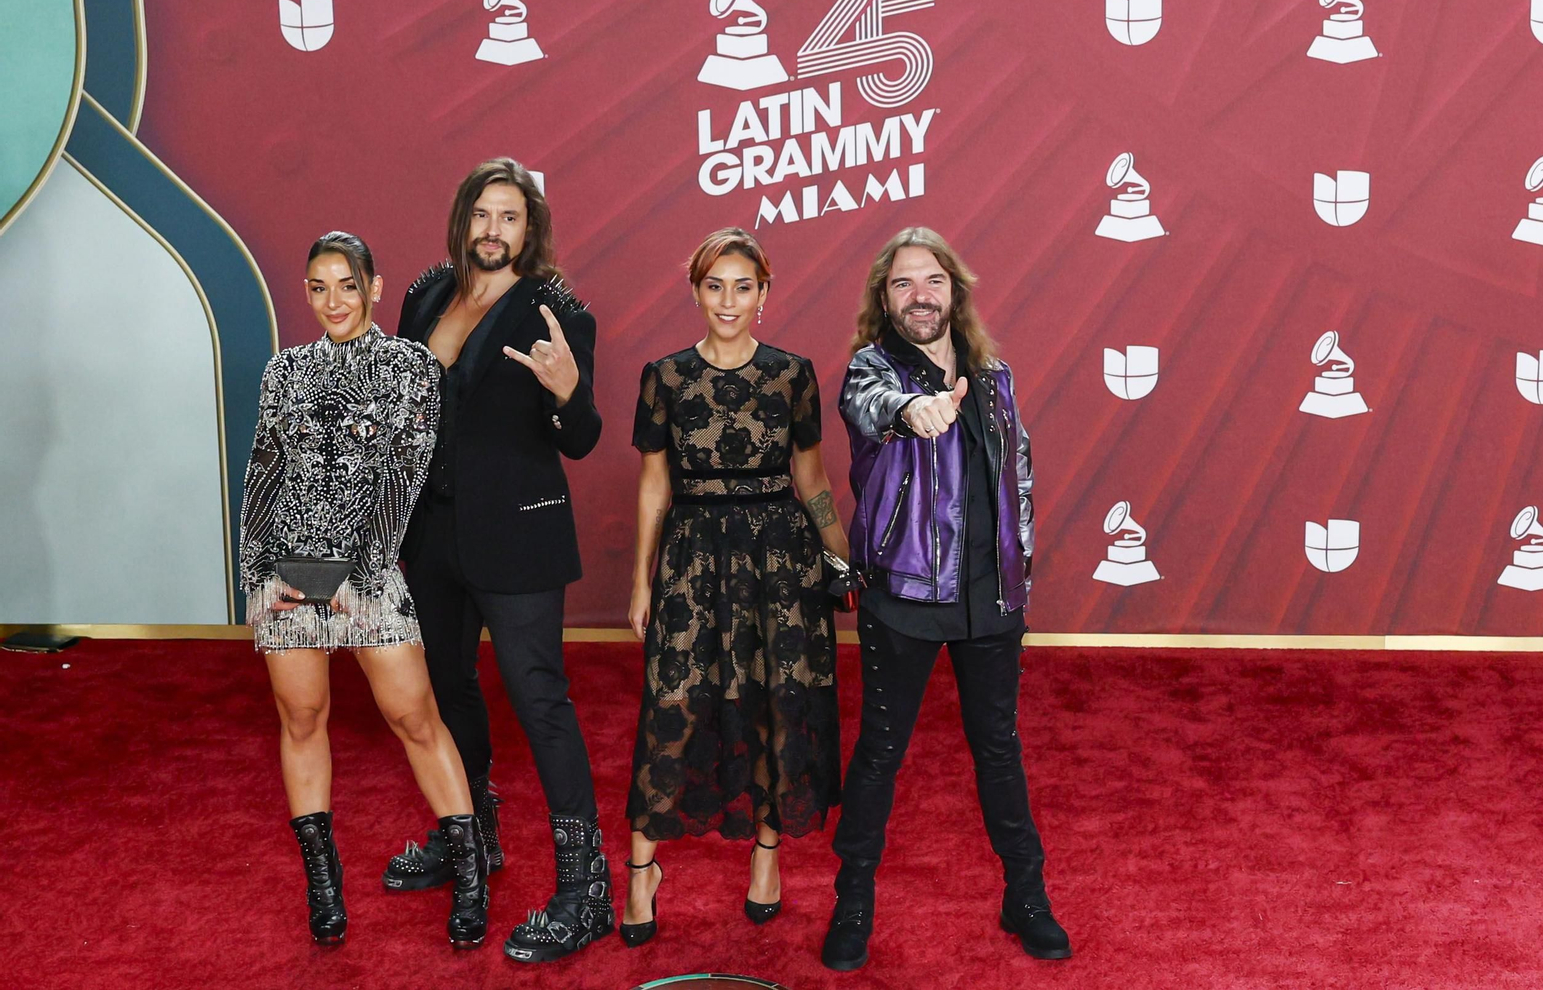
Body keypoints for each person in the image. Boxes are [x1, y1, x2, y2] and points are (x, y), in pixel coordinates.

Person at [822, 227, 1071, 971]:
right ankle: (852, 903)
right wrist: (915, 410)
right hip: (903, 595)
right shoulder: (869, 370)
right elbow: (876, 405)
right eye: (903, 283)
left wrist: (1018, 573)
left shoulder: (994, 376)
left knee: (999, 751)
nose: (920, 295)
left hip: (990, 599)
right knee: (879, 754)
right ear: (884, 298)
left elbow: (1018, 475)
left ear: (954, 291)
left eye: (932, 280)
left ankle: (1027, 897)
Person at [239, 231, 489, 948]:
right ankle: (323, 885)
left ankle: (470, 876)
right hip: (288, 574)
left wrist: (355, 572)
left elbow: (403, 479)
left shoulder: (410, 367)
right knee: (301, 720)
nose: (334, 301)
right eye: (319, 288)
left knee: (416, 719)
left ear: (374, 287)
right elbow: (263, 474)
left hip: (368, 577)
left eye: (347, 285)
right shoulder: (285, 370)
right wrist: (257, 575)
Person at [388, 158, 610, 963]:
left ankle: (586, 890)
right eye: (482, 213)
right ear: (463, 219)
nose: (493, 229)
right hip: (433, 536)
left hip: (518, 537)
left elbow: (581, 440)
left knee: (539, 700)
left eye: (509, 216)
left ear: (530, 228)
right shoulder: (425, 295)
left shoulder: (558, 311)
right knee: (447, 686)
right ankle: (471, 836)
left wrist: (567, 392)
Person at [619, 228, 848, 948]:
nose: (728, 300)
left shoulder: (792, 374)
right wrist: (640, 581)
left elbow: (811, 477)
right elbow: (653, 485)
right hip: (692, 557)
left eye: (742, 286)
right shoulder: (665, 376)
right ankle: (641, 871)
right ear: (695, 291)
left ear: (763, 293)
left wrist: (840, 559)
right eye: (714, 285)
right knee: (672, 706)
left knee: (775, 706)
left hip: (779, 561)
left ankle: (766, 859)